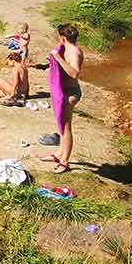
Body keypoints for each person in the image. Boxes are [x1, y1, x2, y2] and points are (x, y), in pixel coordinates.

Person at [44, 24, 85, 174]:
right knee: (61, 125)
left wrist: (58, 58)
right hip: (64, 91)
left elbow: (74, 73)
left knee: (66, 128)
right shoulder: (66, 48)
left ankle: (65, 161)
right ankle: (59, 154)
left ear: (62, 38)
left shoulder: (74, 52)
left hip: (71, 93)